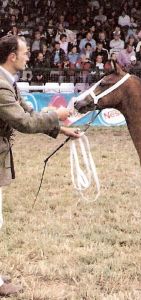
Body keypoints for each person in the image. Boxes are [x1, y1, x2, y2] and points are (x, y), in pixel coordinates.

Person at [0, 35, 80, 297]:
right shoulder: (1, 86)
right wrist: (55, 115)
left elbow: (31, 116)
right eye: (24, 52)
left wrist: (61, 129)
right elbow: (24, 122)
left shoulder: (7, 83)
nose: (28, 56)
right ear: (12, 56)